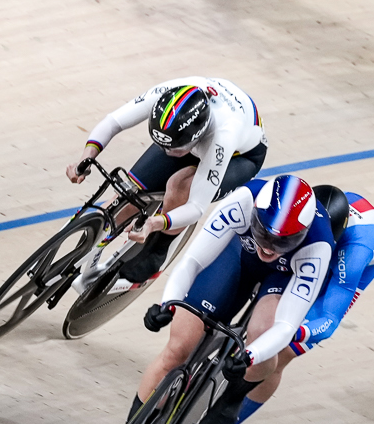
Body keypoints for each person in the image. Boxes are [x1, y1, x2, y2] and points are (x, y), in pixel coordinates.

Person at [86, 174, 332, 424]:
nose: (269, 247)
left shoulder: (318, 247)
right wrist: (169, 303)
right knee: (177, 348)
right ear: (255, 213)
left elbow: (285, 326)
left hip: (280, 280)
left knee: (261, 334)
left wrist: (252, 354)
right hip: (236, 256)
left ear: (302, 234)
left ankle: (228, 403)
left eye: (282, 241)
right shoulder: (243, 201)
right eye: (264, 234)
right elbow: (191, 262)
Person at [186, 184, 374, 424]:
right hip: (298, 245)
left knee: (282, 353)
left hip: (343, 270)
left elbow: (328, 319)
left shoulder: (355, 252)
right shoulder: (302, 220)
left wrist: (293, 331)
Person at [65, 77, 264, 290]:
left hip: (240, 157)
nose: (169, 154)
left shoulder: (223, 137)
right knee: (126, 197)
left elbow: (196, 207)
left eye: (174, 150)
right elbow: (113, 122)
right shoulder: (166, 96)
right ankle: (74, 258)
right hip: (183, 135)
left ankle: (157, 252)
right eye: (162, 145)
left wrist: (154, 223)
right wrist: (86, 158)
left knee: (179, 187)